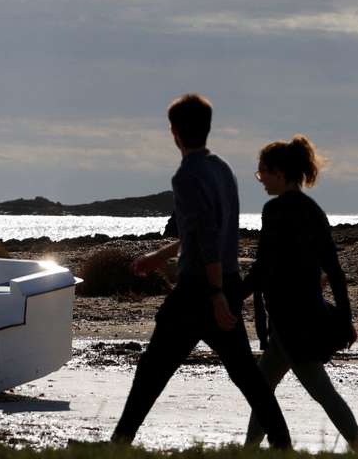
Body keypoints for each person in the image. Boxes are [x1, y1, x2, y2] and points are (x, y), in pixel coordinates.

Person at [110, 94, 291, 449]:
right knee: (247, 377)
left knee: (153, 370)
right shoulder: (222, 169)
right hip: (223, 282)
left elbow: (207, 234)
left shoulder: (186, 175)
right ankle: (284, 446)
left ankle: (119, 443)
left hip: (199, 290)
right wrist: (161, 256)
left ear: (175, 132)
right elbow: (203, 230)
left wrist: (215, 294)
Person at [243, 135, 358, 453]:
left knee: (321, 391)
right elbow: (335, 271)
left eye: (262, 174)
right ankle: (247, 451)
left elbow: (262, 268)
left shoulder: (275, 210)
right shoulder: (315, 211)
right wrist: (344, 317)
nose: (261, 181)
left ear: (280, 173)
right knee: (263, 387)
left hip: (289, 322)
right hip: (307, 315)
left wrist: (228, 296)